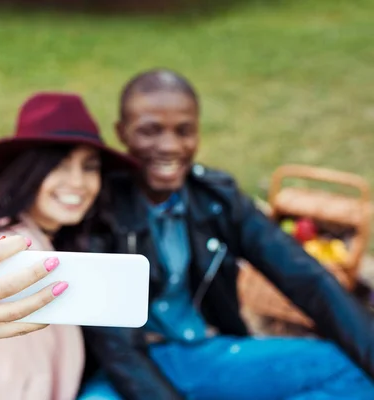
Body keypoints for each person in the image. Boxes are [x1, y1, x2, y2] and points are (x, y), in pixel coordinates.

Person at [78, 68, 374, 400]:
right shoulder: (98, 208)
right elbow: (118, 350)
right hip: (130, 368)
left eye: (184, 131)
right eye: (150, 131)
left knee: (350, 371)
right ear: (122, 133)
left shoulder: (216, 198)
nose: (169, 146)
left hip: (208, 355)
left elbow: (308, 280)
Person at [0, 92, 137, 400]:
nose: (78, 181)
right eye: (60, 165)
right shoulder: (7, 247)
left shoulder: (58, 232)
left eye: (89, 166)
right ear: (29, 171)